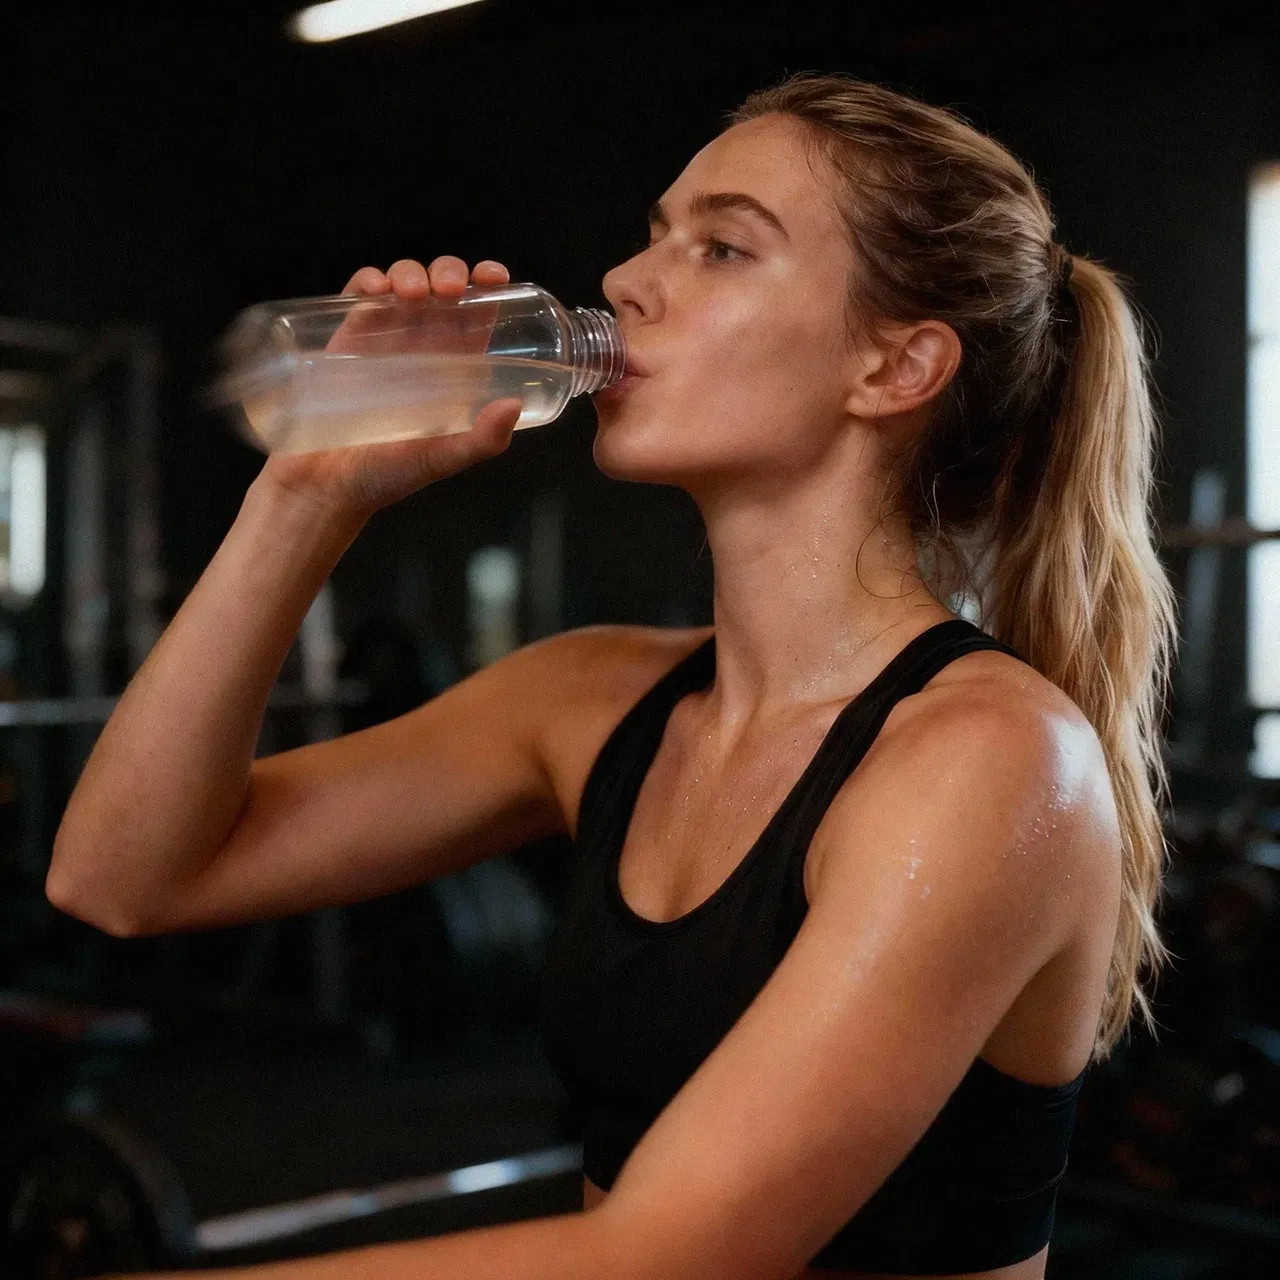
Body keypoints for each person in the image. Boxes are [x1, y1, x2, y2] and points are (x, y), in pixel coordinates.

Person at [47, 71, 1176, 1280]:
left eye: (723, 248)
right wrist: (305, 497)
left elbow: (669, 1250)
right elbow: (124, 875)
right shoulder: (585, 700)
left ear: (894, 369)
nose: (629, 281)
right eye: (653, 236)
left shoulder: (990, 762)